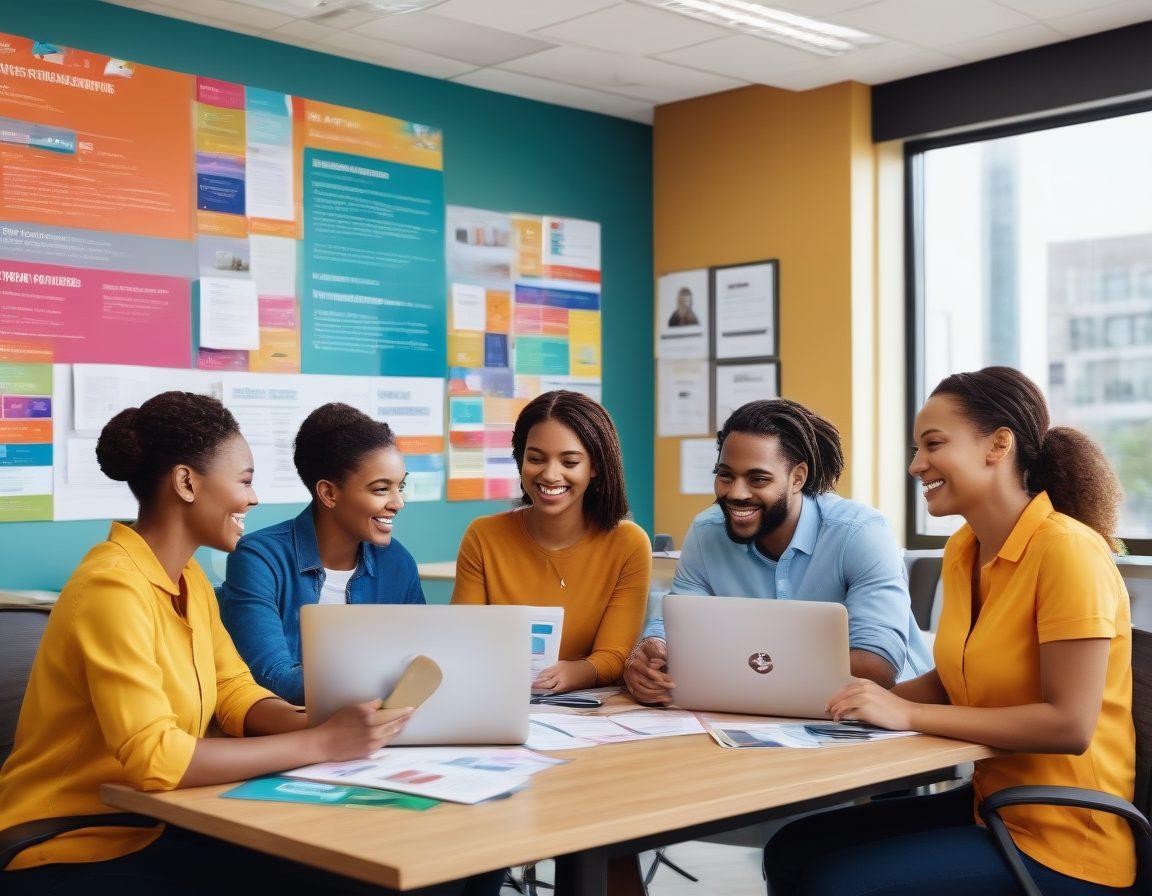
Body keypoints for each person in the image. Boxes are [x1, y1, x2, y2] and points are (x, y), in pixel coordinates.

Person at [0, 392, 502, 895]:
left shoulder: (187, 578)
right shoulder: (112, 586)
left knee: (443, 868)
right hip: (69, 843)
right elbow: (156, 758)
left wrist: (326, 719)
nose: (254, 498)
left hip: (153, 825)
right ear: (186, 483)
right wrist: (319, 742)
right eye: (244, 481)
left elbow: (236, 690)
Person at [765, 367, 1137, 895]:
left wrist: (907, 713)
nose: (916, 465)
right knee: (792, 848)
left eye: (933, 444)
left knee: (836, 883)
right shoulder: (965, 548)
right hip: (995, 808)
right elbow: (957, 678)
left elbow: (1070, 726)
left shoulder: (1068, 552)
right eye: (916, 448)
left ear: (998, 445)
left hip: (1067, 838)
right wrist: (857, 702)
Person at [625, 398, 932, 704]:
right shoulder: (707, 532)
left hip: (882, 716)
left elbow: (877, 668)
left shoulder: (860, 533)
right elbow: (676, 627)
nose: (736, 493)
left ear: (797, 478)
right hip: (746, 708)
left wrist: (751, 663)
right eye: (726, 475)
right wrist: (651, 653)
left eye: (758, 479)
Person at [219, 403, 424, 705]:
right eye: (381, 489)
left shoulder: (397, 562)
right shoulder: (259, 559)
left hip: (382, 733)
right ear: (329, 493)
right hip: (294, 735)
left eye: (400, 487)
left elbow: (422, 661)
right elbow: (272, 678)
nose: (398, 503)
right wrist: (386, 689)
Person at [452, 390, 651, 693]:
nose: (550, 474)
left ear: (595, 467)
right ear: (521, 461)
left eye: (570, 462)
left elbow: (614, 656)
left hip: (586, 705)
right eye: (535, 459)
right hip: (495, 693)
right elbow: (462, 639)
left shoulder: (628, 543)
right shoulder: (483, 536)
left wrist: (574, 672)